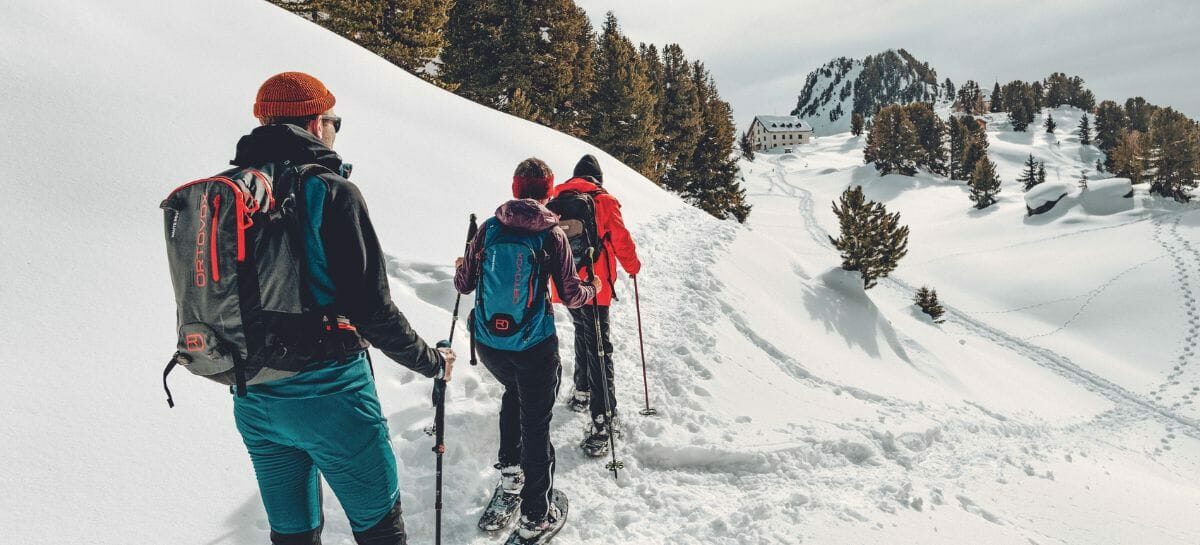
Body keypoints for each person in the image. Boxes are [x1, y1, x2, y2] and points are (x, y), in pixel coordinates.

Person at [229, 72, 454, 545]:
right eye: (334, 121)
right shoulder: (331, 191)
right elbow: (372, 309)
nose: (334, 129)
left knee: (292, 536)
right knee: (380, 531)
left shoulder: (231, 193)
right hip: (332, 396)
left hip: (254, 396)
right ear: (315, 123)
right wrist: (432, 362)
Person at [453, 158, 597, 541]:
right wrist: (591, 288)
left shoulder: (489, 228)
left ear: (516, 188)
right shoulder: (552, 235)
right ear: (548, 191)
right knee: (536, 421)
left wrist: (462, 263)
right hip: (533, 344)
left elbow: (464, 284)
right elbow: (570, 294)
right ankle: (536, 515)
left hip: (489, 344)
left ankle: (510, 479)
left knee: (511, 395)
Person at [550, 155, 641, 456]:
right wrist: (633, 266)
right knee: (600, 346)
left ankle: (581, 392)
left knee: (582, 332)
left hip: (567, 285)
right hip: (595, 286)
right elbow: (620, 239)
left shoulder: (557, 199)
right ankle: (603, 421)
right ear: (597, 179)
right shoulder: (603, 201)